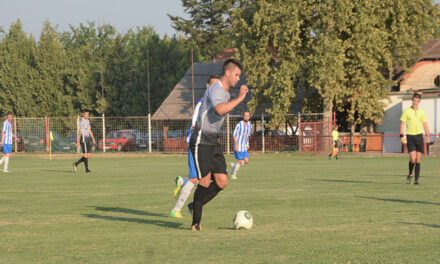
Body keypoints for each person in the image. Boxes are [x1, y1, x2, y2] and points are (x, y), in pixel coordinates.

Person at [187, 59, 249, 231]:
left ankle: (195, 205)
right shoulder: (215, 89)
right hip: (201, 140)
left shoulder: (227, 94)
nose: (238, 79)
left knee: (222, 182)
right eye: (236, 75)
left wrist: (235, 98)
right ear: (227, 73)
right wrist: (240, 98)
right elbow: (220, 110)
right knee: (205, 181)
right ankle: (195, 223)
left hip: (213, 141)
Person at [170, 75, 220, 218]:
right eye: (213, 85)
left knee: (206, 179)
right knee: (194, 179)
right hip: (197, 144)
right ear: (207, 86)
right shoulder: (202, 103)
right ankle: (176, 210)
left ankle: (181, 181)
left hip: (208, 146)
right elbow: (194, 126)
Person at [400, 93, 430, 185]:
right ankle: (409, 174)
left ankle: (416, 180)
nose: (415, 102)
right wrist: (401, 136)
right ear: (412, 100)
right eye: (414, 100)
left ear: (419, 102)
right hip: (410, 136)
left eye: (417, 101)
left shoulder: (422, 112)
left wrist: (428, 136)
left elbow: (425, 124)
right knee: (412, 159)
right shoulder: (406, 111)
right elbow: (402, 124)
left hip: (419, 136)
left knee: (418, 159)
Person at [230, 111, 252, 180]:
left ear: (249, 117)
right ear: (243, 116)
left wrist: (247, 144)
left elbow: (248, 135)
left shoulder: (250, 125)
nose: (246, 117)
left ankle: (234, 166)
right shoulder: (240, 124)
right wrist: (236, 145)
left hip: (244, 146)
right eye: (245, 116)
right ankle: (233, 175)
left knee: (246, 161)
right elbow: (234, 135)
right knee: (239, 161)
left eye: (248, 116)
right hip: (238, 145)